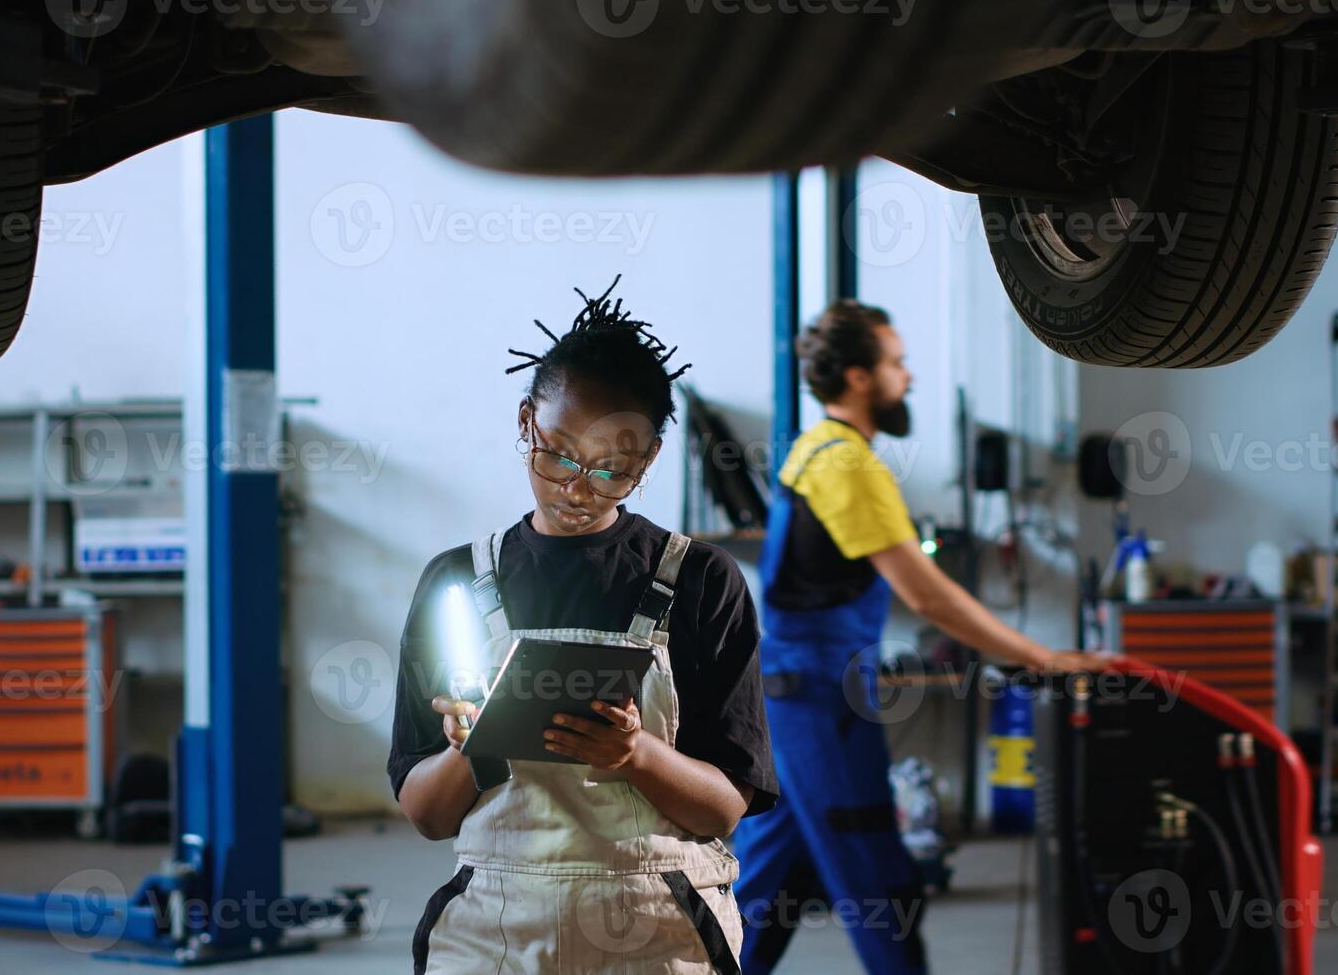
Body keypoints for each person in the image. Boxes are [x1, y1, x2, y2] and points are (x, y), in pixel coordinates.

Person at [387, 278, 779, 974]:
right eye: (557, 453)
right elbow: (427, 816)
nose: (575, 487)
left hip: (659, 925)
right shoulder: (456, 583)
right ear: (523, 423)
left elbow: (722, 810)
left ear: (649, 459)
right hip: (496, 930)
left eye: (611, 470)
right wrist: (471, 748)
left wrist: (637, 756)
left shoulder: (700, 582)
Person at [733, 300, 1102, 975]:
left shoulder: (811, 450)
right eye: (896, 363)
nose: (910, 377)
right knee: (876, 880)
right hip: (821, 705)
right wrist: (1041, 656)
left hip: (785, 700)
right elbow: (925, 592)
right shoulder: (848, 463)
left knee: (769, 889)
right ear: (857, 377)